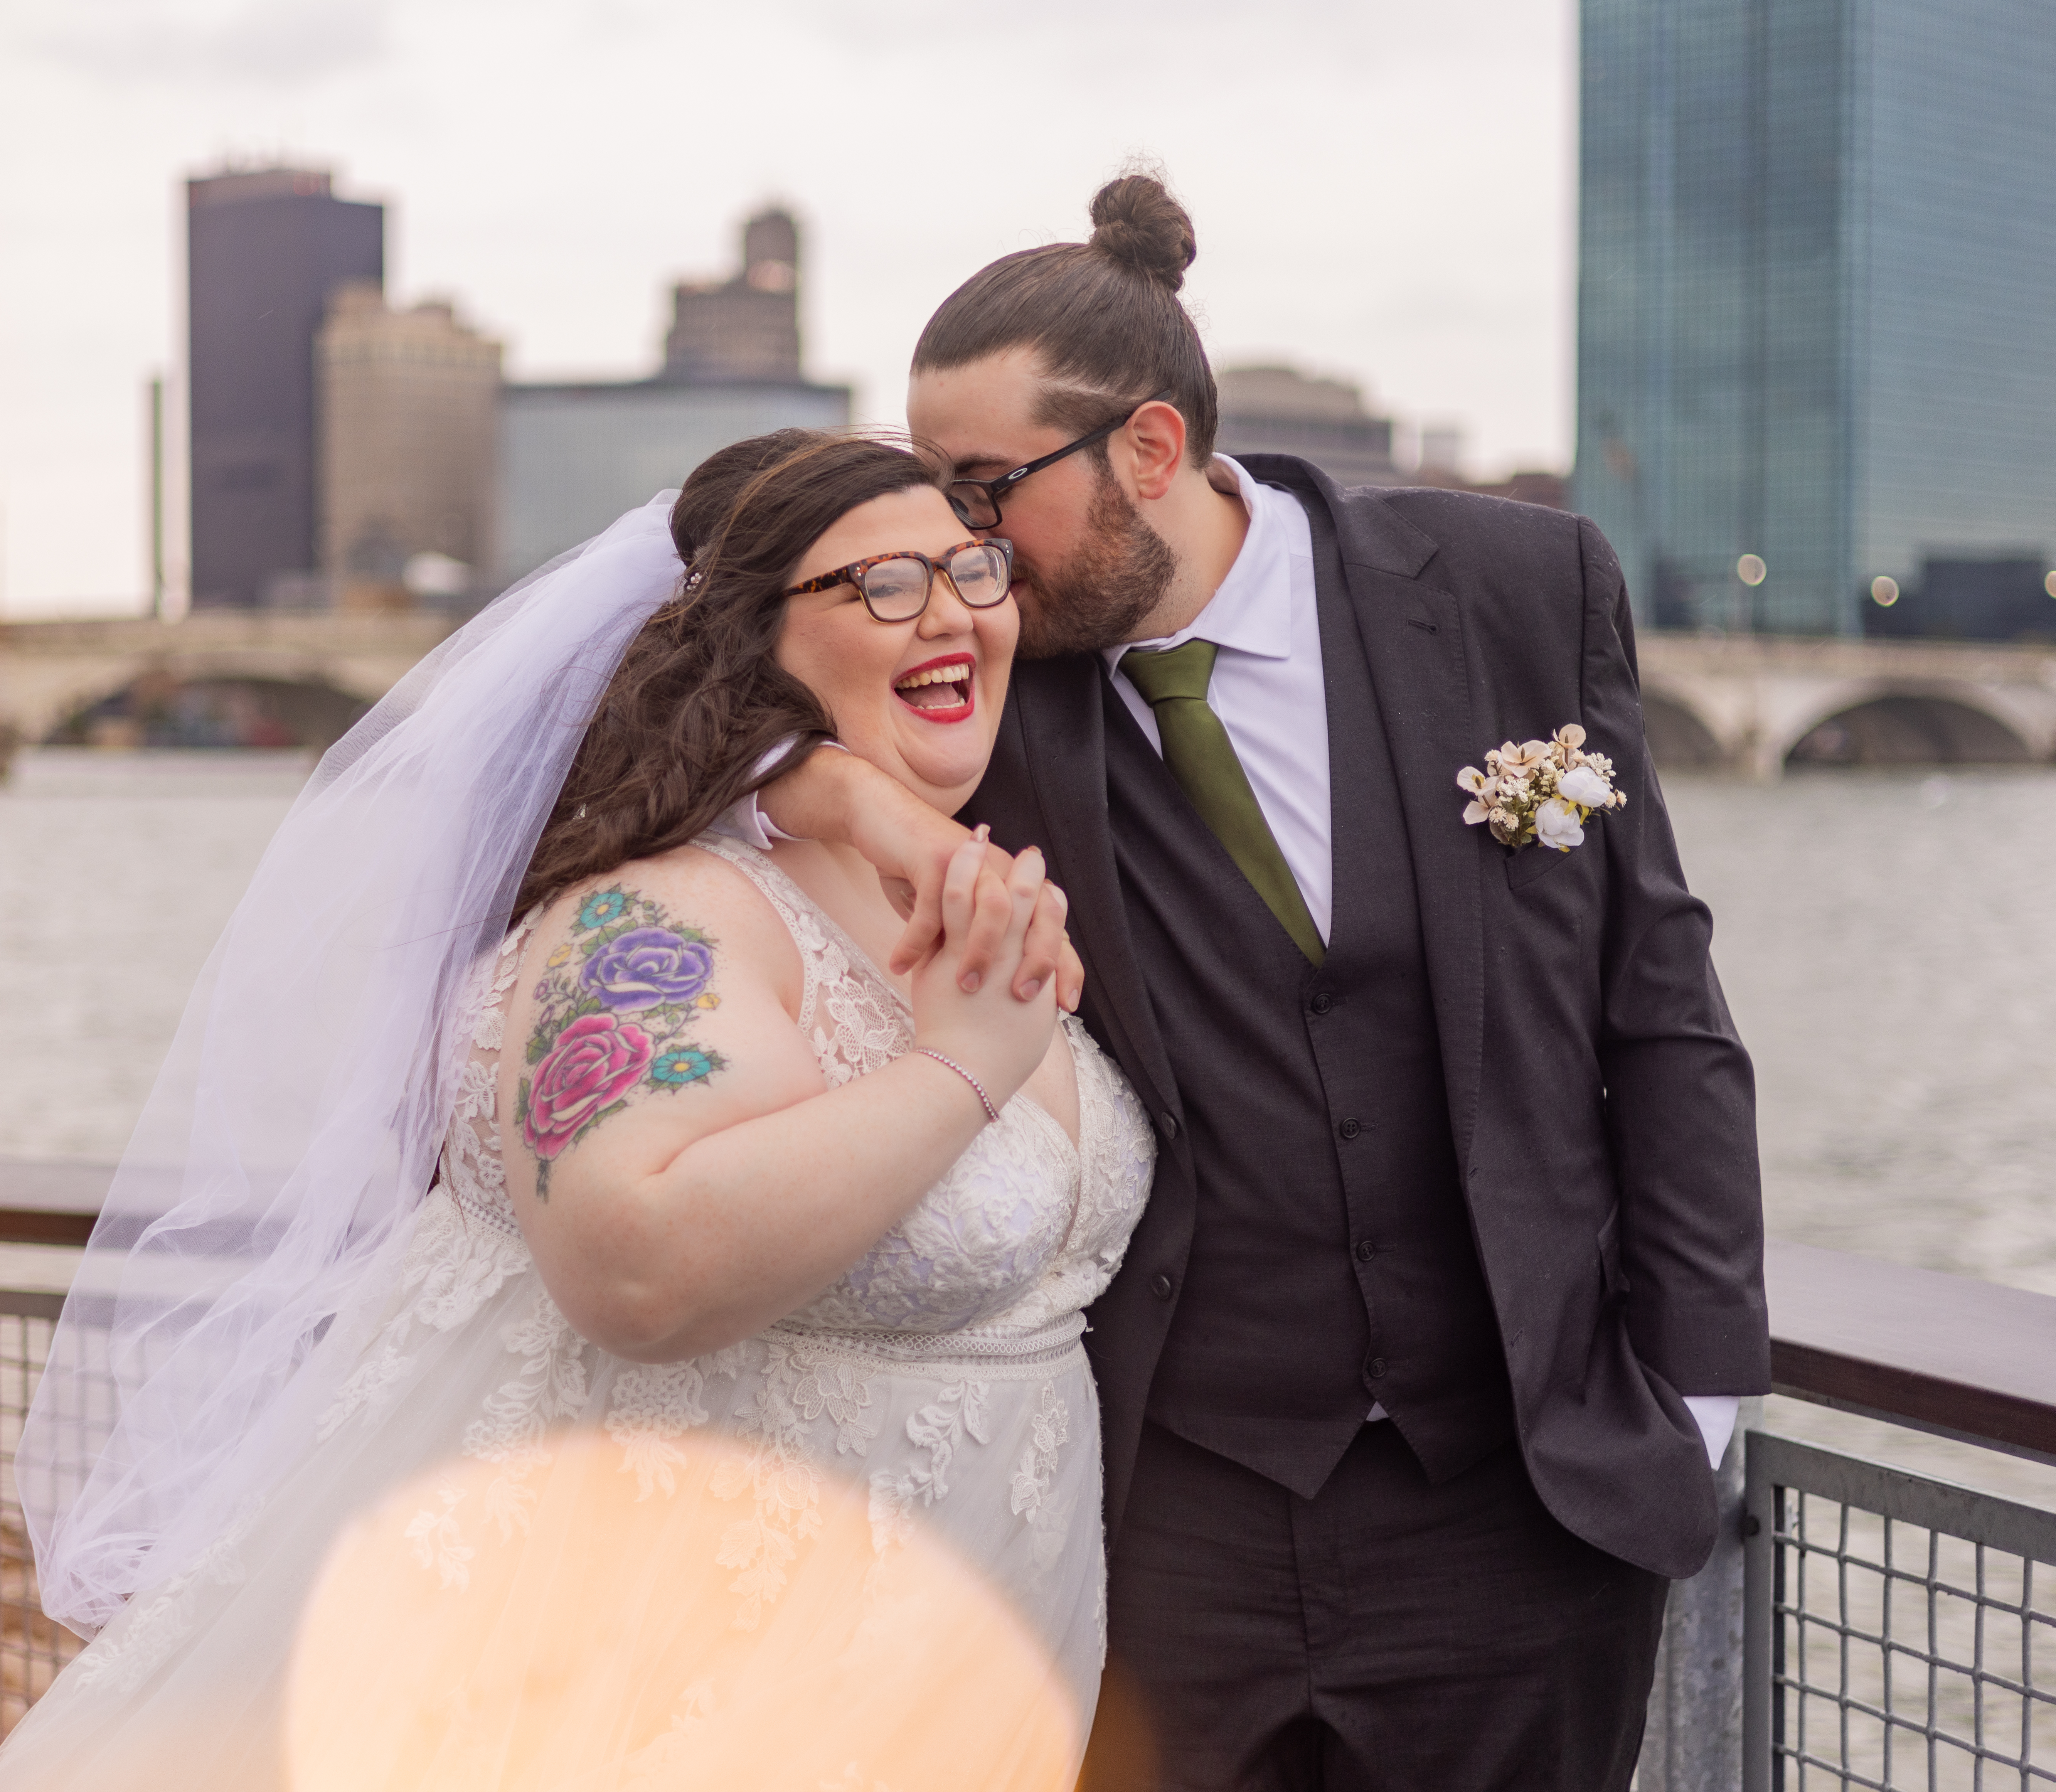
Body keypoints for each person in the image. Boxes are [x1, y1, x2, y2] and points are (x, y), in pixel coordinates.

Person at [757, 173, 1770, 1790]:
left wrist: (1700, 1393)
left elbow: (1659, 1006)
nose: (956, 543)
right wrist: (841, 793)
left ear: (1146, 452)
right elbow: (696, 703)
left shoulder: (1512, 593)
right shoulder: (986, 678)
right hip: (1165, 1517)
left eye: (983, 487)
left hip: (1517, 1507)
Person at [0, 433, 1153, 1790]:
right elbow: (631, 1259)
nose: (953, 609)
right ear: (753, 640)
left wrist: (831, 787)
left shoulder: (952, 869)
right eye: (885, 585)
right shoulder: (658, 913)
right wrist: (960, 1070)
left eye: (973, 568)